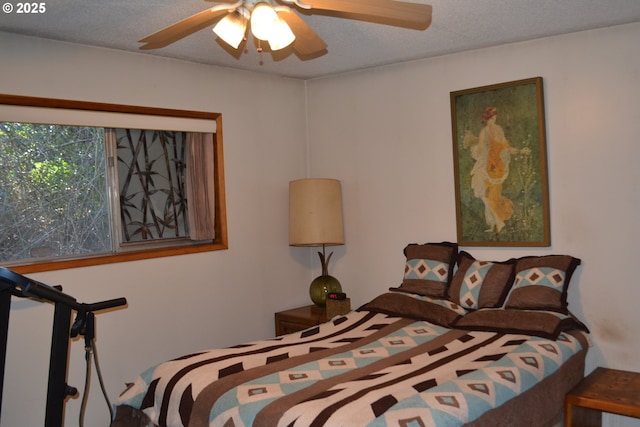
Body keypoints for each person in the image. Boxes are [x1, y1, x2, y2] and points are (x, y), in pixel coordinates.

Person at [463, 107, 530, 233]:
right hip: (495, 166)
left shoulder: (488, 131)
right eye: (493, 116)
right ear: (490, 117)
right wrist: (520, 151)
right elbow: (503, 147)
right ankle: (494, 224)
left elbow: (487, 150)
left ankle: (498, 223)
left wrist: (477, 149)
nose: (495, 118)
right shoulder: (494, 130)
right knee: (487, 195)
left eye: (495, 116)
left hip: (492, 167)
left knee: (488, 195)